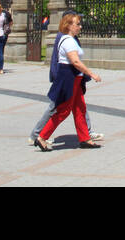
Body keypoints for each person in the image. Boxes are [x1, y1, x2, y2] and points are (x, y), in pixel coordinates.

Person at [35, 13, 102, 151]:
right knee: (63, 110)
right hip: (68, 78)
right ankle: (42, 137)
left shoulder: (70, 39)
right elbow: (75, 61)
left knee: (80, 108)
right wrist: (91, 74)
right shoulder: (68, 41)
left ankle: (85, 139)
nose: (80, 26)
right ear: (69, 26)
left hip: (74, 78)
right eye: (77, 24)